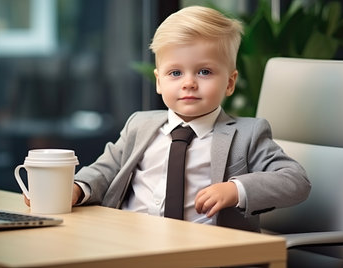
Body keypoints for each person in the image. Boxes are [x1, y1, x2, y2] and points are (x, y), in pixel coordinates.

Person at [28, 6, 311, 232]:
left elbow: (295, 181)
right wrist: (76, 189)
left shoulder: (248, 132)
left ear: (230, 82)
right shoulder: (140, 124)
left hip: (206, 254)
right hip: (130, 243)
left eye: (204, 72)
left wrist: (237, 189)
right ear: (159, 82)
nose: (188, 83)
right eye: (175, 73)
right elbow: (105, 170)